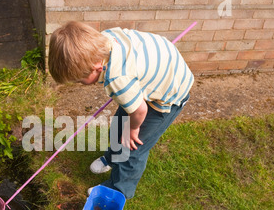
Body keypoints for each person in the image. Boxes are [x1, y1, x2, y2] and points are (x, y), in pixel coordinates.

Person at [48, 21, 193, 199]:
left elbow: (139, 110)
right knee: (118, 127)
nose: (80, 84)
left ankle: (117, 190)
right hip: (153, 75)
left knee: (131, 148)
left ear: (96, 68)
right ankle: (112, 158)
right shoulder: (105, 39)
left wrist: (132, 129)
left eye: (80, 80)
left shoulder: (118, 79)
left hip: (168, 95)